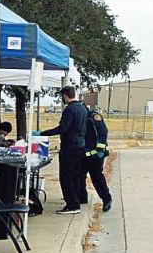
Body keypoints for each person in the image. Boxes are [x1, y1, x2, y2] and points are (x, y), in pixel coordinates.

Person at [40, 86, 88, 215]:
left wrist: (42, 133)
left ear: (65, 95)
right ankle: (75, 200)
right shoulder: (83, 108)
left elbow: (62, 128)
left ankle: (72, 204)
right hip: (80, 146)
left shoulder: (69, 110)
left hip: (70, 148)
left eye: (62, 96)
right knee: (76, 177)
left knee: (66, 177)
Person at [83, 106, 113, 212]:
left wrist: (100, 149)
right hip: (84, 154)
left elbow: (103, 132)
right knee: (79, 176)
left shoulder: (94, 117)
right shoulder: (79, 118)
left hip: (96, 154)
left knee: (97, 177)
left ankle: (106, 199)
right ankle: (82, 198)